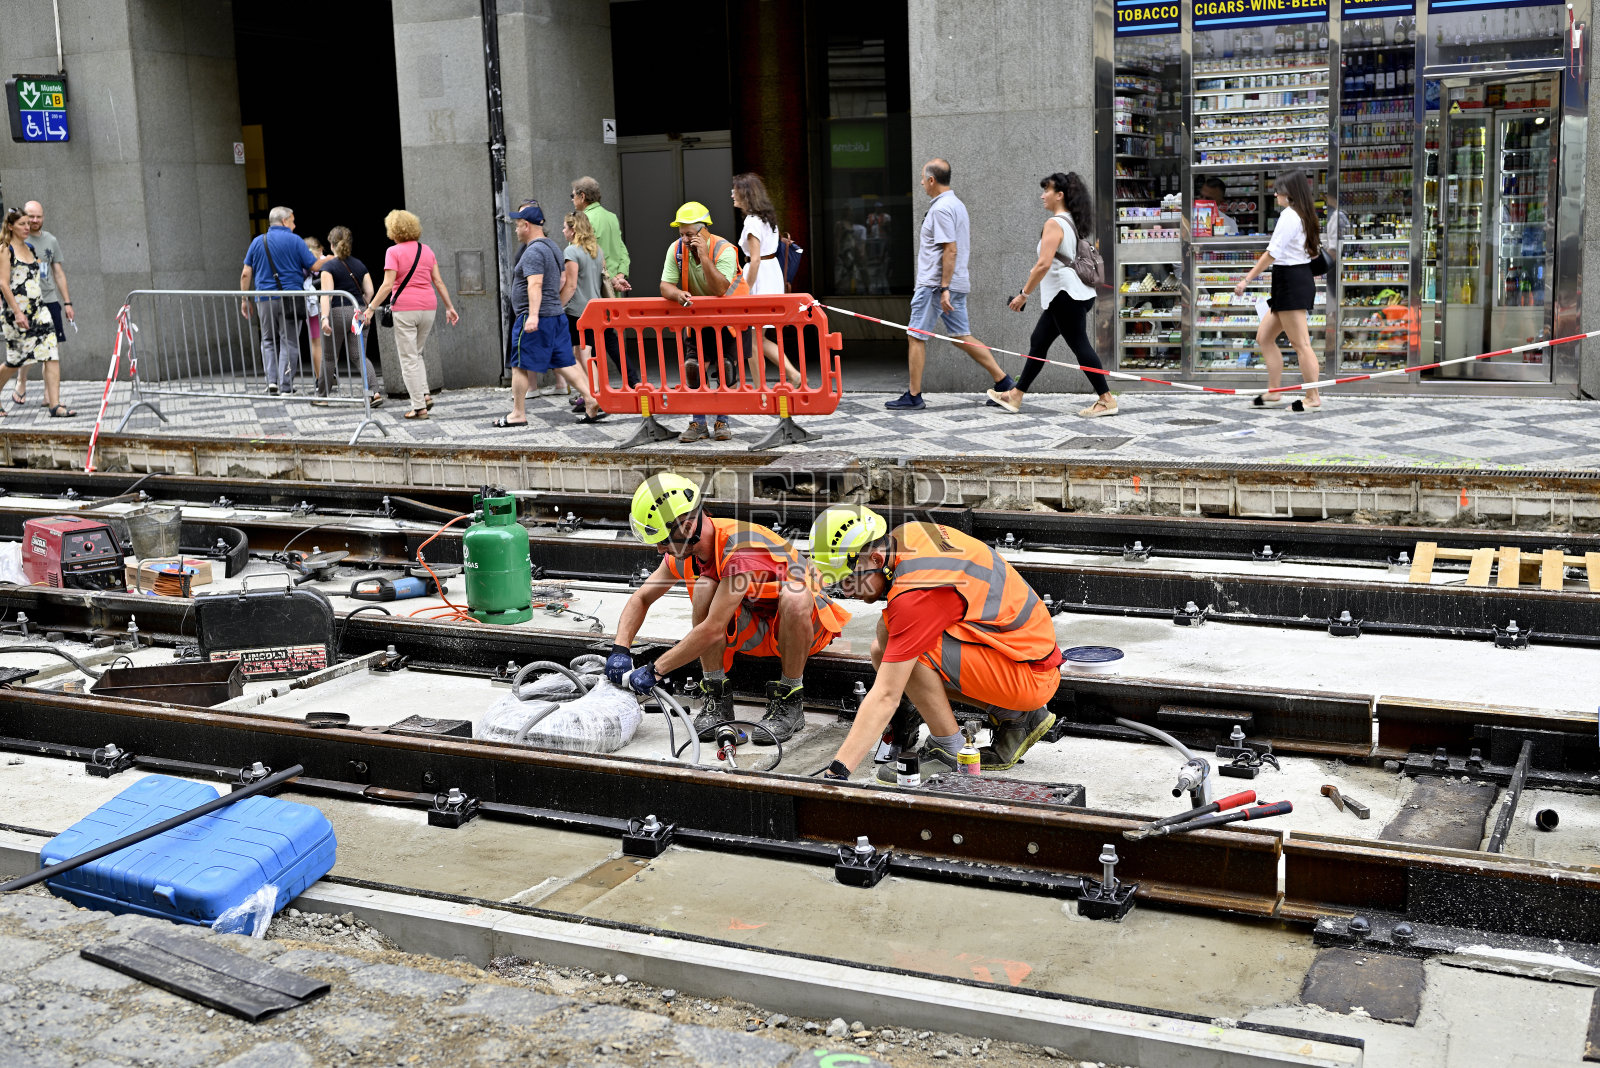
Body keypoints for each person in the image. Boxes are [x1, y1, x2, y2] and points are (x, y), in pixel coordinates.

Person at [805, 505, 1062, 783]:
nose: (847, 591)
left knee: (910, 651)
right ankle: (1013, 713)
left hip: (1029, 675)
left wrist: (837, 772)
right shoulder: (908, 535)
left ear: (877, 559)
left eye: (848, 580)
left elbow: (885, 695)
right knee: (884, 644)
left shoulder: (917, 589)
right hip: (1021, 654)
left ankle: (948, 751)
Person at [606, 473, 851, 744]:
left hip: (804, 630)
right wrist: (620, 650)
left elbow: (712, 630)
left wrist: (655, 670)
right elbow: (641, 599)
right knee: (704, 588)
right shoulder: (688, 552)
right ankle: (716, 696)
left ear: (687, 529)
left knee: (794, 596)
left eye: (663, 540)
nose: (658, 548)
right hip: (758, 629)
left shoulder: (740, 548)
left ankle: (790, 700)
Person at [886, 159, 1014, 411]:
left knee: (915, 335)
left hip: (935, 285)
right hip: (951, 283)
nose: (921, 183)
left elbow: (950, 250)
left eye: (923, 178)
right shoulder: (956, 205)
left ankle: (913, 395)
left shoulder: (942, 209)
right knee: (960, 336)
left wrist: (943, 287)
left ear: (932, 180)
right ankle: (1004, 382)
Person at [990, 172, 1115, 418]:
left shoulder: (1054, 223)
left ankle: (1106, 398)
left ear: (1059, 195)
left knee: (1080, 346)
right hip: (1073, 294)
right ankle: (1015, 395)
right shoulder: (1069, 221)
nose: (1042, 195)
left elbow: (1043, 265)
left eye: (1046, 190)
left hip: (1064, 295)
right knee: (1038, 340)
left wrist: (1023, 294)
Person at [496, 202, 601, 428]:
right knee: (566, 361)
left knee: (520, 365)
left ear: (526, 225)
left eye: (517, 225)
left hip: (535, 318)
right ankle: (591, 400)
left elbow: (535, 284)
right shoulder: (552, 246)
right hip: (555, 316)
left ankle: (517, 414)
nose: (515, 230)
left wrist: (533, 315)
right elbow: (562, 280)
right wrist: (554, 306)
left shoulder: (533, 251)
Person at [659, 201, 749, 442]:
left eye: (690, 234)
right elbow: (665, 285)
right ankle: (698, 423)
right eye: (682, 234)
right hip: (699, 318)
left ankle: (723, 421)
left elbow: (720, 288)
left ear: (704, 231)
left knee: (726, 370)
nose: (686, 239)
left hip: (731, 319)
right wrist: (677, 295)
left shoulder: (724, 250)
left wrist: (704, 257)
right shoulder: (676, 249)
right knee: (693, 368)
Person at [1234, 170, 1323, 412]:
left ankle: (1312, 397)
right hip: (1290, 280)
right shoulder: (1303, 214)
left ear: (1289, 193)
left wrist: (1246, 280)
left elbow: (1272, 253)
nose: (1275, 194)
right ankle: (1274, 392)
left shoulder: (1289, 216)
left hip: (1292, 281)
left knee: (1301, 343)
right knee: (1264, 338)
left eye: (1278, 190)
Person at [361, 209, 460, 420]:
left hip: (406, 308)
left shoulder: (393, 252)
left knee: (408, 359)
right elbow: (439, 281)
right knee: (417, 353)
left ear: (393, 230)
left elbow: (388, 285)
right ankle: (424, 394)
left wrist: (370, 308)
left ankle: (418, 407)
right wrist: (449, 307)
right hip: (429, 307)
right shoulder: (427, 250)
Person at [731, 172, 801, 387]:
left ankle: (763, 390)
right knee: (757, 339)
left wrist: (745, 289)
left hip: (759, 280)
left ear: (745, 194)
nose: (732, 193)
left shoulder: (752, 222)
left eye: (735, 190)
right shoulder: (767, 218)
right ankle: (791, 376)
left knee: (751, 341)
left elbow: (755, 260)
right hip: (772, 277)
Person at [0, 208, 70, 416]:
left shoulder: (30, 247)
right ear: (11, 226)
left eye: (27, 223)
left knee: (51, 353)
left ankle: (55, 405)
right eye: (22, 224)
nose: (27, 227)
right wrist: (18, 313)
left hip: (40, 311)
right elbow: (3, 284)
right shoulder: (5, 249)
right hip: (16, 315)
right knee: (16, 361)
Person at [241, 205, 317, 395]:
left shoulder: (258, 242)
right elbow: (313, 265)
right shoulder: (295, 240)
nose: (294, 224)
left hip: (264, 298)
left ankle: (272, 381)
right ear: (284, 221)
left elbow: (245, 273)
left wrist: (245, 299)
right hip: (290, 298)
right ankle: (285, 385)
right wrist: (332, 260)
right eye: (292, 220)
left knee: (267, 340)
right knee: (289, 341)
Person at [560, 211, 629, 412]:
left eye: (565, 227)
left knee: (579, 354)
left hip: (576, 310)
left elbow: (571, 286)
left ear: (573, 230)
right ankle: (592, 393)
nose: (563, 230)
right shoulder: (596, 251)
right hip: (595, 309)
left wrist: (558, 306)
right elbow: (603, 279)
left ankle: (591, 393)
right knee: (586, 353)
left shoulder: (571, 252)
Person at [319, 226, 382, 407]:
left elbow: (327, 295)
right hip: (358, 313)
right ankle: (375, 392)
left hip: (337, 313)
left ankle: (323, 397)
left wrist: (324, 317)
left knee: (330, 357)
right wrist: (365, 307)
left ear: (331, 244)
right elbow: (370, 290)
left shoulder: (328, 267)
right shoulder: (360, 265)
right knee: (359, 355)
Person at [572, 177, 631, 295]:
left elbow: (578, 256)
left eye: (572, 196)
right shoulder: (612, 217)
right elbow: (623, 252)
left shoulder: (582, 220)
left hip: (592, 290)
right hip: (613, 290)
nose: (572, 200)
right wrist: (619, 276)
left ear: (582, 196)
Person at [302, 236, 327, 398]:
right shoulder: (329, 261)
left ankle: (320, 378)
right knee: (333, 341)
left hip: (311, 307)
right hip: (329, 305)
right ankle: (328, 373)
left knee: (316, 342)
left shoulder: (302, 263)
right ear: (322, 248)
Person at [864, 200, 892, 294]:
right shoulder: (871, 216)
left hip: (882, 239)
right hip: (872, 239)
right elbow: (868, 228)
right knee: (874, 256)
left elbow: (889, 228)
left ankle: (881, 261)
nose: (878, 209)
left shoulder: (886, 216)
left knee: (882, 254)